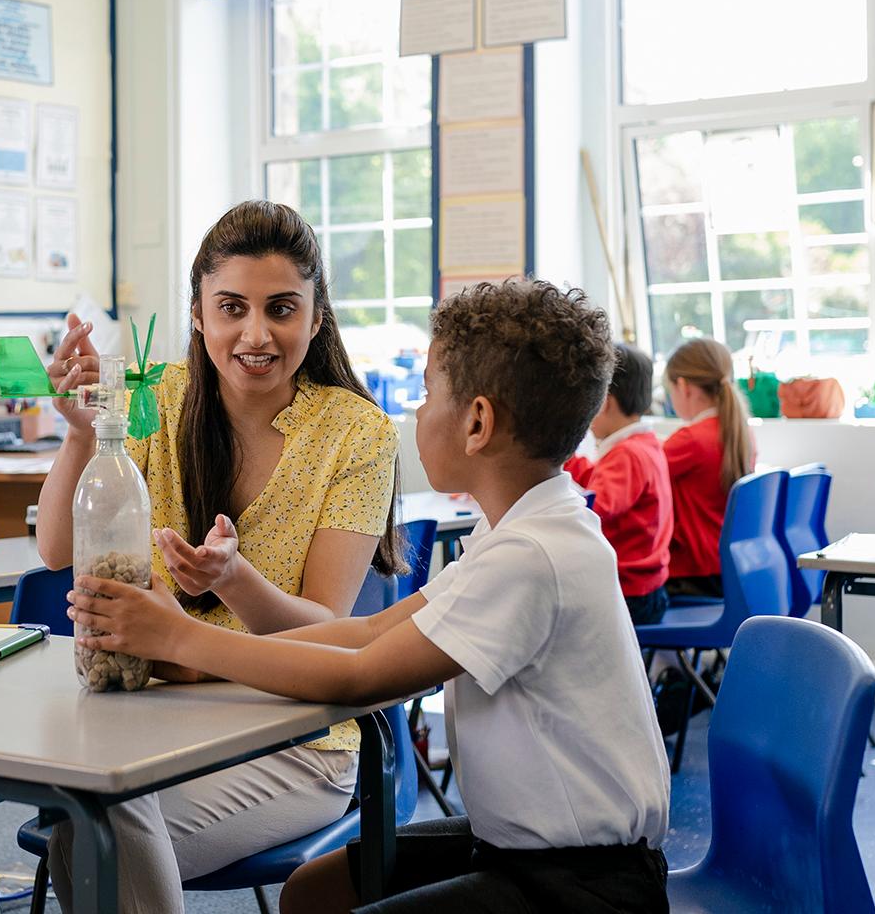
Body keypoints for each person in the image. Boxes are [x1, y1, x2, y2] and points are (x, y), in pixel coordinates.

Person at [67, 281, 671, 914]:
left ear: (477, 422)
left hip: (584, 884)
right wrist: (194, 652)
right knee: (315, 892)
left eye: (428, 393)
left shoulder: (532, 557)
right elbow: (371, 631)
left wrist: (181, 636)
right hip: (529, 848)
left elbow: (361, 676)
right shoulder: (521, 528)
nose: (415, 410)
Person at [35, 201, 401, 912]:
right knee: (91, 818)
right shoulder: (155, 397)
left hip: (299, 736)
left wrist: (237, 583)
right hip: (155, 714)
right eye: (231, 307)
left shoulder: (358, 432)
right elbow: (55, 548)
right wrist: (80, 434)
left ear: (317, 317)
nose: (255, 334)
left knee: (95, 830)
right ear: (198, 313)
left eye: (282, 309)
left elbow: (326, 629)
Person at [565, 343, 673, 624]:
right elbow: (601, 483)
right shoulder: (643, 444)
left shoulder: (626, 454)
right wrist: (566, 459)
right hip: (648, 589)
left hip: (631, 594)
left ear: (603, 402)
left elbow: (595, 509)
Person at [660, 338, 755, 598]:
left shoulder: (690, 440)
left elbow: (643, 475)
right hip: (726, 570)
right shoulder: (740, 432)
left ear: (683, 386)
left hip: (693, 574)